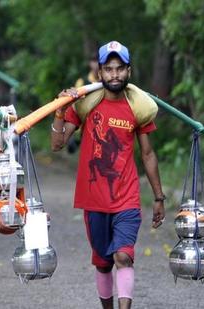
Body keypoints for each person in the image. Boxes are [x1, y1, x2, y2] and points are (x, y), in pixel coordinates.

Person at [50, 41, 166, 309]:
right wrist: (59, 109)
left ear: (129, 71)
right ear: (99, 73)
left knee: (123, 257)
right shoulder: (87, 104)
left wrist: (159, 197)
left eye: (120, 69)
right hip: (94, 200)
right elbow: (57, 145)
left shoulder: (138, 108)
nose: (115, 75)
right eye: (108, 69)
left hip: (126, 197)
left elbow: (148, 155)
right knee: (103, 264)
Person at [67, 53, 101, 153]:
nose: (96, 64)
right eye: (94, 61)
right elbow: (75, 105)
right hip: (84, 125)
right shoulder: (82, 81)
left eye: (98, 61)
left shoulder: (107, 83)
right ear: (90, 63)